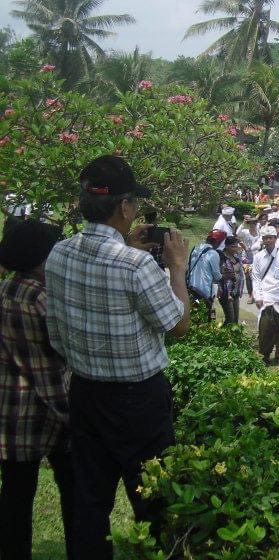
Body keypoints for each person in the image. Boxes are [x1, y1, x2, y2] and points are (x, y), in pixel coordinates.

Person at [44, 155, 191, 559]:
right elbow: (176, 325)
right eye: (134, 205)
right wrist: (177, 269)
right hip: (138, 399)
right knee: (154, 500)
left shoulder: (59, 253)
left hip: (86, 392)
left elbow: (56, 330)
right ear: (124, 207)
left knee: (90, 501)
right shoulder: (136, 264)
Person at [0, 220, 73, 560]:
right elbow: (60, 356)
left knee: (16, 499)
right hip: (49, 408)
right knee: (75, 494)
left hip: (12, 411)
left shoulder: (7, 288)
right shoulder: (39, 297)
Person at [252, 225, 279, 364]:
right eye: (265, 238)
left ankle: (278, 353)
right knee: (264, 327)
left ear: (275, 239)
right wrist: (258, 296)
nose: (268, 240)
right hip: (265, 297)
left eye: (270, 238)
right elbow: (256, 278)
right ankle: (265, 354)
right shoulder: (258, 257)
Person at [187, 230, 224, 320]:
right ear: (217, 242)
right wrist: (225, 276)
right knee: (203, 318)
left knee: (193, 316)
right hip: (204, 290)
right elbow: (217, 275)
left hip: (191, 287)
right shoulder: (213, 253)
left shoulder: (196, 248)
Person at [219, 236, 244, 325]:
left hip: (235, 292)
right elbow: (218, 277)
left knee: (235, 319)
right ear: (226, 246)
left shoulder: (236, 257)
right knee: (230, 319)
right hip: (225, 293)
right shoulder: (222, 258)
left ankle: (232, 337)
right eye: (233, 246)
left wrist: (246, 248)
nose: (235, 248)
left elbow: (249, 259)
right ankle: (222, 337)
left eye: (236, 246)